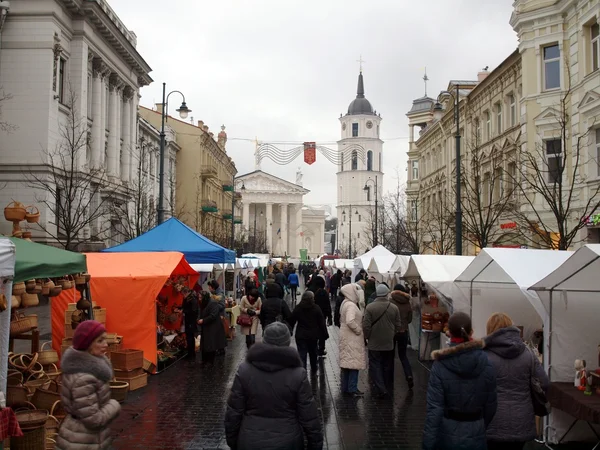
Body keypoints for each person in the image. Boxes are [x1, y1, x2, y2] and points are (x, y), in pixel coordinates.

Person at [225, 322, 323, 450]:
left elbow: (234, 412)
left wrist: (233, 441)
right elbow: (309, 416)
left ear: (264, 341)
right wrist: (315, 444)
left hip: (250, 440)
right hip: (288, 441)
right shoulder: (298, 375)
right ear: (287, 343)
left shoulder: (245, 370)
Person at [422, 312, 497, 450]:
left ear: (449, 333)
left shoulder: (440, 365)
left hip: (447, 434)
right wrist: (479, 424)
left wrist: (428, 443)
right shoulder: (486, 361)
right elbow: (491, 404)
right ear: (472, 332)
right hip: (476, 431)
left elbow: (434, 409)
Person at [484, 313, 549, 450]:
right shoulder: (528, 354)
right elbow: (544, 383)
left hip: (492, 420)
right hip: (522, 419)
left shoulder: (483, 355)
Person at [55, 320, 121, 450]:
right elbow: (93, 419)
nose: (106, 344)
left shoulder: (89, 369)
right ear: (88, 344)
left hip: (86, 438)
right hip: (81, 440)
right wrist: (114, 405)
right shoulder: (84, 378)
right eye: (100, 341)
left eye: (105, 340)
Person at [362, 284, 401, 399]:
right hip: (388, 342)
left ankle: (380, 387)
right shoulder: (394, 307)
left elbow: (366, 325)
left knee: (375, 365)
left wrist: (368, 337)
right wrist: (391, 334)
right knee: (386, 365)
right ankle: (386, 386)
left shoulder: (370, 307)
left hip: (374, 342)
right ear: (387, 293)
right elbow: (398, 325)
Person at [338, 283, 367, 397]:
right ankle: (352, 388)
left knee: (347, 364)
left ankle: (346, 387)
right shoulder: (351, 305)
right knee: (353, 363)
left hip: (346, 336)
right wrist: (358, 330)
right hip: (352, 338)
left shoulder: (345, 303)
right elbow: (350, 321)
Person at [289, 291, 327, 373]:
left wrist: (290, 330)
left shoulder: (298, 308)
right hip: (313, 336)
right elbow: (322, 323)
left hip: (301, 335)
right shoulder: (316, 308)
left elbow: (292, 320)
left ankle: (302, 372)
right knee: (313, 353)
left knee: (302, 354)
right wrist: (324, 334)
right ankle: (314, 369)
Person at [390, 284, 414, 389]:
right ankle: (409, 375)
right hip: (404, 331)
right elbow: (409, 320)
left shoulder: (391, 302)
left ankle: (390, 379)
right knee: (403, 356)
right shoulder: (408, 303)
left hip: (392, 332)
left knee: (390, 355)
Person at [198, 291, 227, 364]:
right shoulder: (203, 303)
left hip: (213, 327)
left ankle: (210, 361)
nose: (199, 299)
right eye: (199, 297)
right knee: (206, 343)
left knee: (211, 344)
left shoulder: (212, 303)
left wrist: (203, 320)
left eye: (201, 297)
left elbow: (213, 315)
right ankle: (205, 360)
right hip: (206, 326)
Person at [313, 276, 332, 357]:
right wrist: (329, 316)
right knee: (321, 331)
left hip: (312, 314)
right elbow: (327, 304)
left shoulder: (311, 290)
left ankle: (313, 348)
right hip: (322, 314)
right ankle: (321, 349)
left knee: (313, 330)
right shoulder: (324, 292)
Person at [180, 287, 199, 360]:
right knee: (189, 337)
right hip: (188, 320)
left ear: (186, 293)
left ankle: (191, 355)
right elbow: (184, 307)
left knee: (190, 337)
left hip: (191, 321)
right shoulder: (187, 298)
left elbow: (193, 311)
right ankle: (190, 353)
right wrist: (181, 309)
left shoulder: (192, 299)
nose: (182, 296)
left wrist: (184, 311)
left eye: (183, 294)